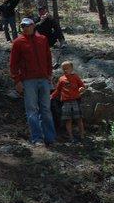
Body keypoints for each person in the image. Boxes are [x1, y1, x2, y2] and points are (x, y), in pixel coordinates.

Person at [10, 18, 55, 146]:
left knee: (46, 109)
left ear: (33, 25)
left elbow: (48, 58)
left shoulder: (42, 39)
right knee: (32, 110)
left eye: (27, 25)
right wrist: (17, 81)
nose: (25, 28)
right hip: (28, 81)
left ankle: (50, 138)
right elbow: (13, 64)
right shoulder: (18, 42)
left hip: (44, 79)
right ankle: (37, 138)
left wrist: (49, 74)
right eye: (23, 26)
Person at [51, 60, 86, 141]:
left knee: (79, 118)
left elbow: (82, 86)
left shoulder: (75, 77)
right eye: (64, 69)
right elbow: (58, 90)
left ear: (72, 68)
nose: (65, 70)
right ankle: (71, 137)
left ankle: (82, 135)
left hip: (75, 100)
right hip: (65, 102)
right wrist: (51, 97)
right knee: (68, 120)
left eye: (67, 68)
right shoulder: (61, 79)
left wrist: (81, 89)